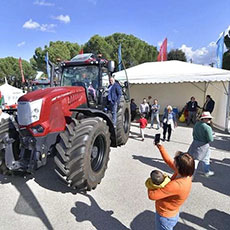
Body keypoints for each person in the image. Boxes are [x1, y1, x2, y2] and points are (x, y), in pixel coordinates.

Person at [148, 143, 195, 230]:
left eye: (175, 163)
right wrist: (161, 148)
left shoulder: (176, 185)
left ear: (179, 167)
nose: (173, 162)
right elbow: (168, 161)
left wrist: (151, 182)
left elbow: (152, 195)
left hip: (165, 216)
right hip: (172, 213)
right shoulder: (185, 175)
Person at [188, 111, 214, 177]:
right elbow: (210, 139)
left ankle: (206, 171)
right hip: (204, 145)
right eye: (208, 118)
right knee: (201, 159)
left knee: (197, 159)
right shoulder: (207, 128)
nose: (209, 120)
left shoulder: (196, 124)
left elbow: (193, 134)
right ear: (204, 119)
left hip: (195, 143)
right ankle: (192, 174)